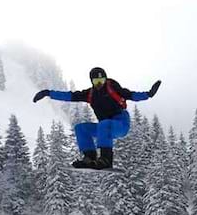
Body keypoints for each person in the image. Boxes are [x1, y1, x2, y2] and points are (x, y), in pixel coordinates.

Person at [33, 67, 161, 170]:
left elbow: (131, 95)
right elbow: (69, 96)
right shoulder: (90, 94)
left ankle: (106, 159)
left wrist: (148, 94)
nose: (100, 83)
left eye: (102, 80)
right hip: (103, 129)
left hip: (121, 124)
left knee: (104, 124)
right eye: (96, 81)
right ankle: (90, 157)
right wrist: (48, 93)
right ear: (92, 81)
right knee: (81, 128)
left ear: (106, 79)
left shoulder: (114, 88)